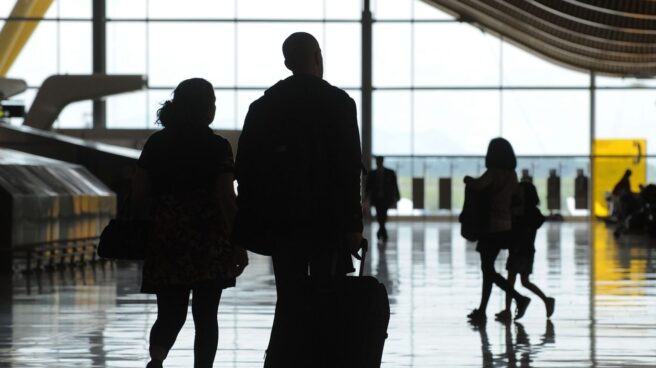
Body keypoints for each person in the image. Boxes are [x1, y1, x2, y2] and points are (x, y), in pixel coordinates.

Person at [233, 32, 364, 367]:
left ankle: (283, 357)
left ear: (287, 62)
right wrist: (353, 225)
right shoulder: (339, 104)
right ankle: (323, 356)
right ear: (318, 57)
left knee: (289, 295)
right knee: (326, 293)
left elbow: (246, 169)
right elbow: (350, 169)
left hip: (281, 221)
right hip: (328, 221)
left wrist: (247, 226)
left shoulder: (263, 107)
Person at [131, 78, 248, 368]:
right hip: (208, 239)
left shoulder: (156, 143)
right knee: (206, 315)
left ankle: (157, 358)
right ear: (206, 107)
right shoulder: (217, 146)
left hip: (166, 235)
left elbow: (139, 192)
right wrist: (239, 243)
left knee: (170, 311)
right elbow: (225, 197)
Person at [464, 137, 531, 323]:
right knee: (488, 269)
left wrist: (467, 179)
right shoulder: (512, 175)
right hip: (506, 226)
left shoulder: (493, 172)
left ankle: (519, 298)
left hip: (491, 227)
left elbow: (478, 185)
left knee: (488, 269)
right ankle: (482, 310)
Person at [496, 181, 555, 321]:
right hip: (525, 250)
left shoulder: (526, 212)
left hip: (520, 249)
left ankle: (508, 310)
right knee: (524, 281)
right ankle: (546, 300)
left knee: (512, 280)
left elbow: (523, 228)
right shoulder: (529, 212)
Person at [365, 156, 400, 242]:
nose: (378, 163)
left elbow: (394, 186)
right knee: (379, 215)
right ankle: (382, 231)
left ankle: (381, 231)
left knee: (382, 215)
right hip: (377, 199)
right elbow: (368, 187)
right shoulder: (372, 174)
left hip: (386, 198)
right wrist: (366, 197)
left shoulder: (390, 173)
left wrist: (397, 196)